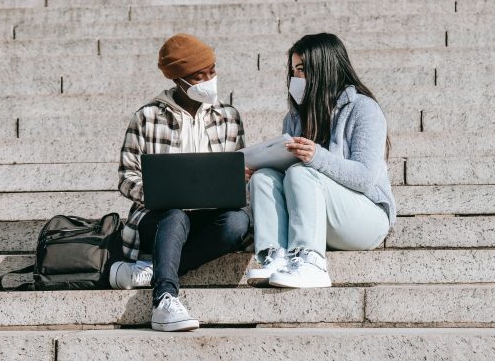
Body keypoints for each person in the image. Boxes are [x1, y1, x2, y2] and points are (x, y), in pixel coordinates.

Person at [113, 33, 250, 331]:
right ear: (179, 80)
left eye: (212, 71)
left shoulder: (229, 117)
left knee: (237, 223)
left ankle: (154, 269)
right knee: (174, 215)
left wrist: (240, 178)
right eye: (200, 76)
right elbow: (126, 177)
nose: (209, 80)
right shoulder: (147, 117)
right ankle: (164, 299)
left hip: (210, 217)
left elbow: (238, 167)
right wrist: (159, 194)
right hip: (159, 219)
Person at [246, 33, 396, 288]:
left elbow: (365, 177)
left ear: (323, 68)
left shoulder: (363, 108)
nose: (296, 78)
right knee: (264, 178)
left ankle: (312, 264)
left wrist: (316, 156)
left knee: (301, 173)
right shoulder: (294, 117)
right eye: (293, 70)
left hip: (366, 217)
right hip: (318, 218)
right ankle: (277, 256)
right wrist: (262, 165)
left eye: (302, 69)